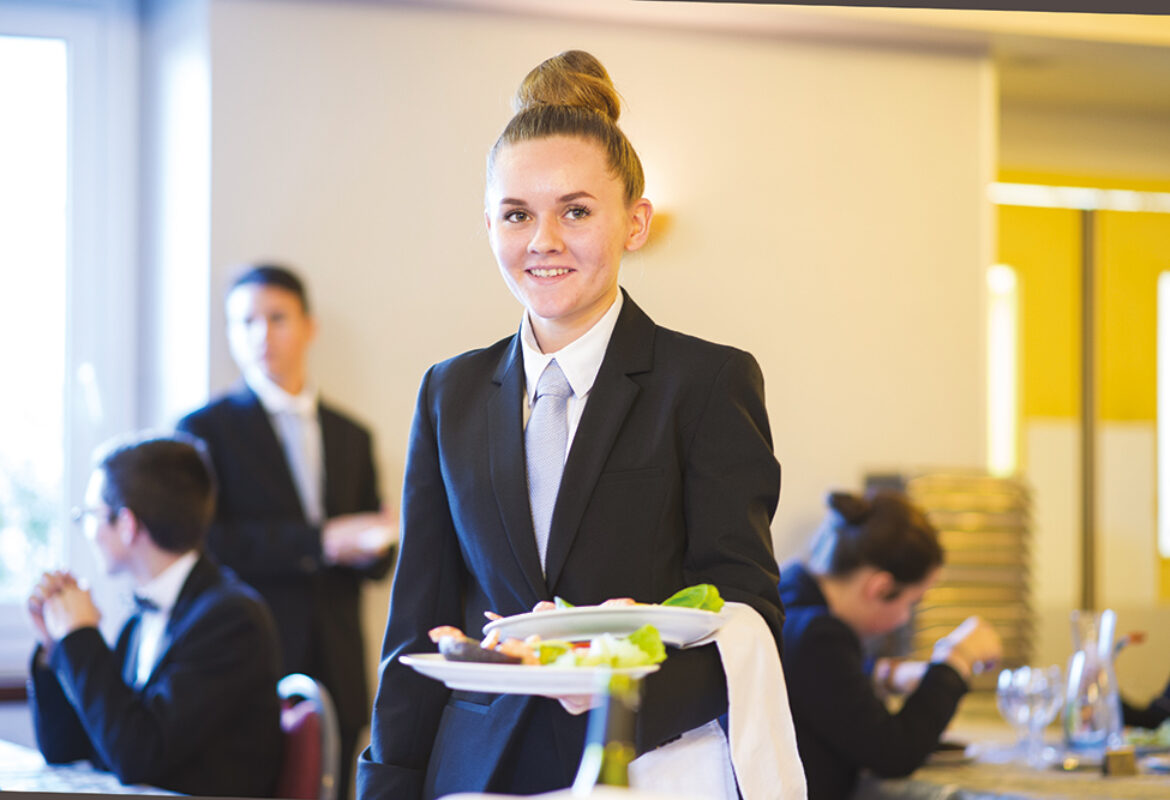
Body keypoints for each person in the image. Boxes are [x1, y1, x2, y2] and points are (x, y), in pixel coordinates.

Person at [358, 50, 787, 800]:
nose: (543, 241)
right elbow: (417, 621)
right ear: (489, 224)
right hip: (475, 771)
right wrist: (384, 784)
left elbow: (745, 612)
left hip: (644, 769)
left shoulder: (707, 382)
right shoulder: (449, 391)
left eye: (576, 210)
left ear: (635, 222)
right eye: (517, 214)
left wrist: (624, 686)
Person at [177, 263, 396, 799]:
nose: (260, 335)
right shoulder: (203, 431)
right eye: (244, 322)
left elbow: (373, 561)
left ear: (308, 327)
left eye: (276, 318)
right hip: (250, 658)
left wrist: (379, 541)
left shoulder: (352, 434)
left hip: (339, 662)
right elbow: (207, 546)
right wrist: (319, 542)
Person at [26, 433, 282, 797]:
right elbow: (67, 749)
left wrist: (81, 637)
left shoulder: (232, 619)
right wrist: (57, 648)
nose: (87, 530)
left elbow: (137, 755)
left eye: (91, 515)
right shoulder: (137, 622)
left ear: (127, 525)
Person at [779, 490, 1003, 800]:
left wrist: (884, 674)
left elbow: (823, 690)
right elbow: (893, 753)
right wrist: (955, 661)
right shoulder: (819, 636)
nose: (904, 618)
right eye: (912, 602)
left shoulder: (786, 595)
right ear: (880, 587)